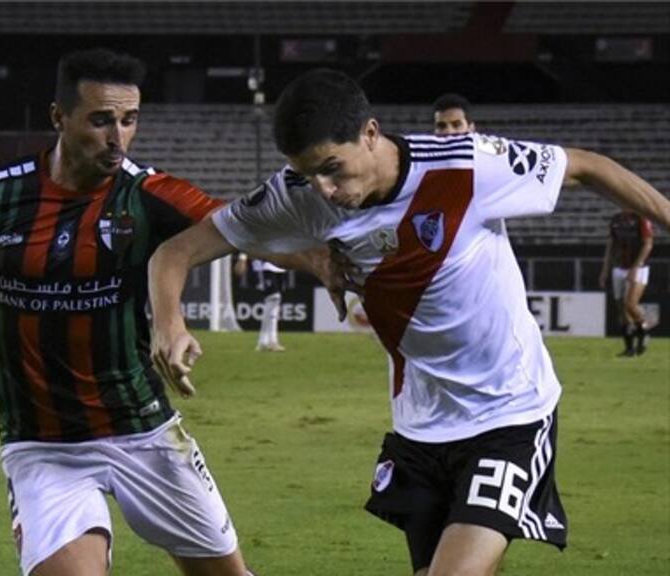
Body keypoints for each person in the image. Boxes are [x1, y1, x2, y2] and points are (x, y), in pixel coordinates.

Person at [148, 69, 670, 576]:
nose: (323, 189)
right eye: (309, 175)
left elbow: (587, 166)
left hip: (509, 412)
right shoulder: (297, 193)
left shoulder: (465, 166)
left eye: (332, 168)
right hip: (420, 425)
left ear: (370, 133)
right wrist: (170, 323)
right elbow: (175, 252)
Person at [0, 48, 262, 576]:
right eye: (101, 121)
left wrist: (325, 258)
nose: (118, 137)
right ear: (59, 117)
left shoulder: (148, 193)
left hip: (143, 432)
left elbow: (248, 227)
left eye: (129, 120)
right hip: (43, 446)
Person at [599, 209, 655, 356]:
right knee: (622, 309)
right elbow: (610, 245)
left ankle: (644, 327)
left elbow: (648, 244)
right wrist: (605, 269)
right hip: (619, 266)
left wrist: (636, 266)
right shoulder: (616, 220)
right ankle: (629, 348)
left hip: (639, 267)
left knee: (630, 303)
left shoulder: (641, 219)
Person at [234, 253, 288, 351]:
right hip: (264, 265)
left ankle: (268, 341)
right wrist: (242, 257)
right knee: (273, 297)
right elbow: (251, 242)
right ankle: (267, 341)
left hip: (279, 265)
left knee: (275, 302)